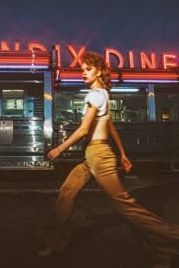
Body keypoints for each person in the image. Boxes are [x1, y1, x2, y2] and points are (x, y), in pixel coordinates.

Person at [37, 51, 179, 268]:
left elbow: (85, 129)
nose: (83, 72)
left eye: (88, 69)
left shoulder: (95, 94)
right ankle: (57, 243)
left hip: (99, 156)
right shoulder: (102, 94)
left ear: (99, 71)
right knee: (67, 192)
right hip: (92, 156)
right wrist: (122, 154)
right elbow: (110, 126)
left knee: (125, 205)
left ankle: (172, 239)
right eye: (82, 69)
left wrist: (60, 148)